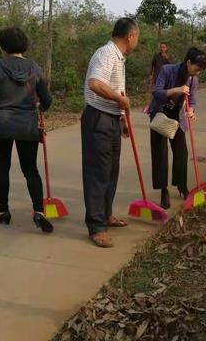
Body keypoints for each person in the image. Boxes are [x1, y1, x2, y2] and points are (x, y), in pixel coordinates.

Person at [0, 26, 53, 233]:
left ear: (2, 46)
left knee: (2, 166)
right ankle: (38, 211)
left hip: (1, 123)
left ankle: (4, 211)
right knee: (30, 169)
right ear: (24, 45)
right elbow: (46, 99)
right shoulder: (35, 68)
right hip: (27, 124)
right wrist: (41, 108)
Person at [81, 17, 139, 248]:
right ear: (130, 36)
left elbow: (117, 89)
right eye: (138, 36)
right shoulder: (106, 53)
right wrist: (119, 100)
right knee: (97, 173)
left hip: (112, 119)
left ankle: (105, 215)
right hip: (98, 119)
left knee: (110, 171)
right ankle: (96, 227)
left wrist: (123, 116)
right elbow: (95, 83)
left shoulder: (119, 58)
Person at [148, 47, 206, 209]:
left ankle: (181, 186)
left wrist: (191, 111)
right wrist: (176, 90)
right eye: (196, 69)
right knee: (160, 153)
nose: (197, 73)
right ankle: (163, 190)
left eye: (200, 71)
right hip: (160, 114)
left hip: (177, 116)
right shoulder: (167, 70)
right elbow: (156, 92)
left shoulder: (193, 80)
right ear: (188, 62)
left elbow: (193, 101)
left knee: (182, 153)